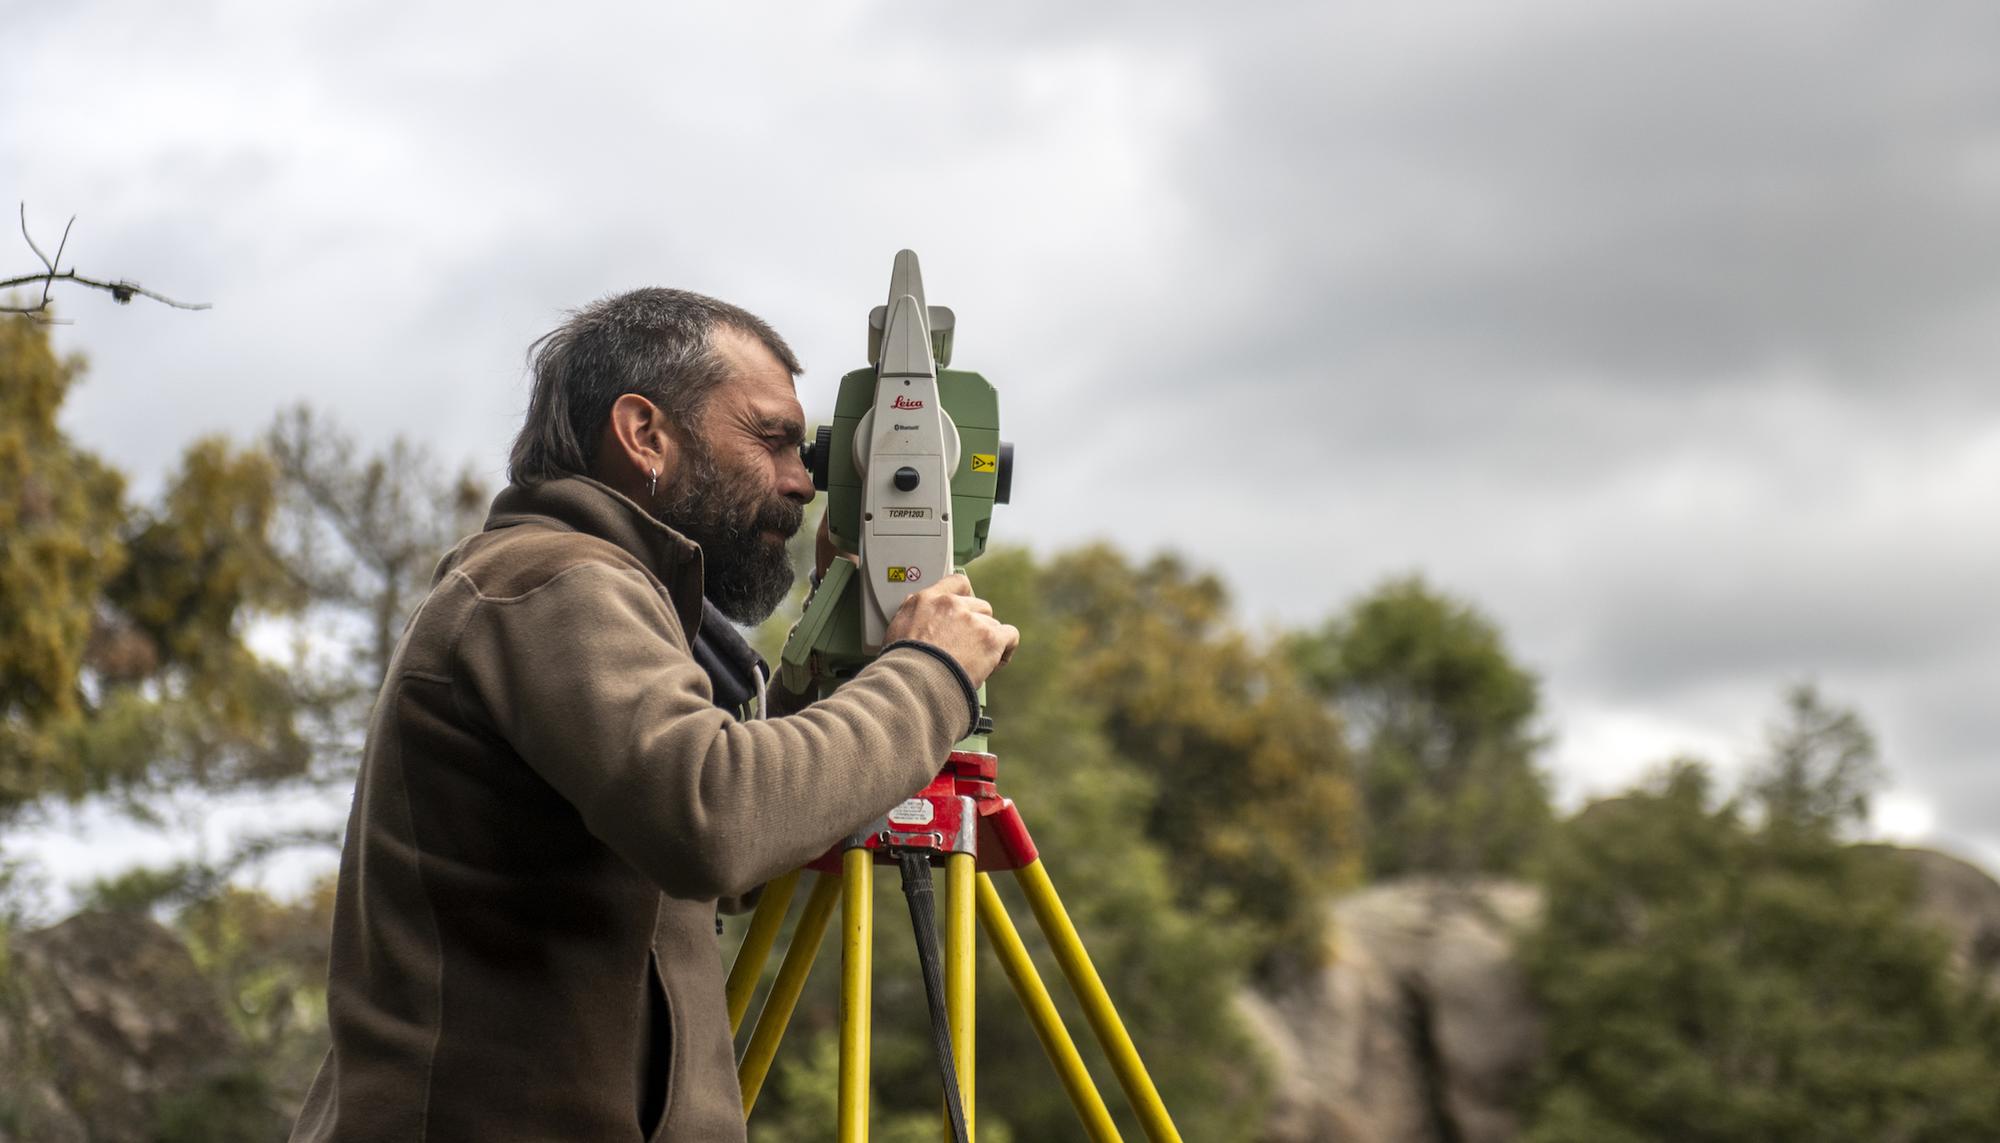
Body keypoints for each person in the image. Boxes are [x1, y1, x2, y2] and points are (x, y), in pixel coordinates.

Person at [290, 289, 1019, 1142]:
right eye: (772, 437)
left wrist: (836, 638)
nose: (803, 481)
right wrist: (930, 674)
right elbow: (714, 819)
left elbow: (730, 856)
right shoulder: (553, 582)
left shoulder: (607, 596)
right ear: (644, 434)